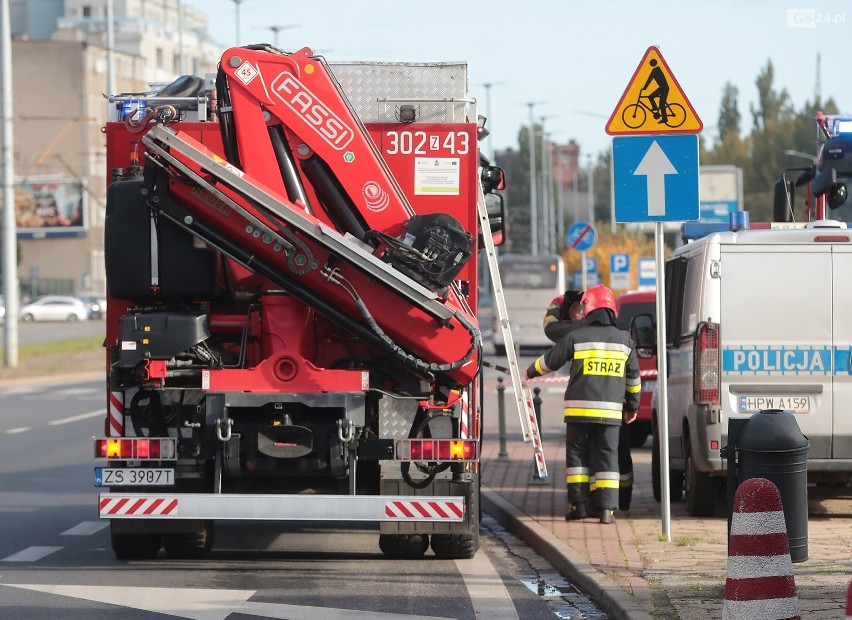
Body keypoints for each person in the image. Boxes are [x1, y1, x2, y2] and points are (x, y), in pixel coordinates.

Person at [526, 284, 640, 524]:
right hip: (611, 412)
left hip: (579, 410)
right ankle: (607, 511)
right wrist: (632, 407)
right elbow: (634, 380)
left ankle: (578, 506)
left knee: (576, 458)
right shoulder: (624, 340)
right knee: (608, 457)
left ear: (588, 308)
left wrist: (528, 372)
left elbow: (550, 361)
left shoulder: (576, 336)